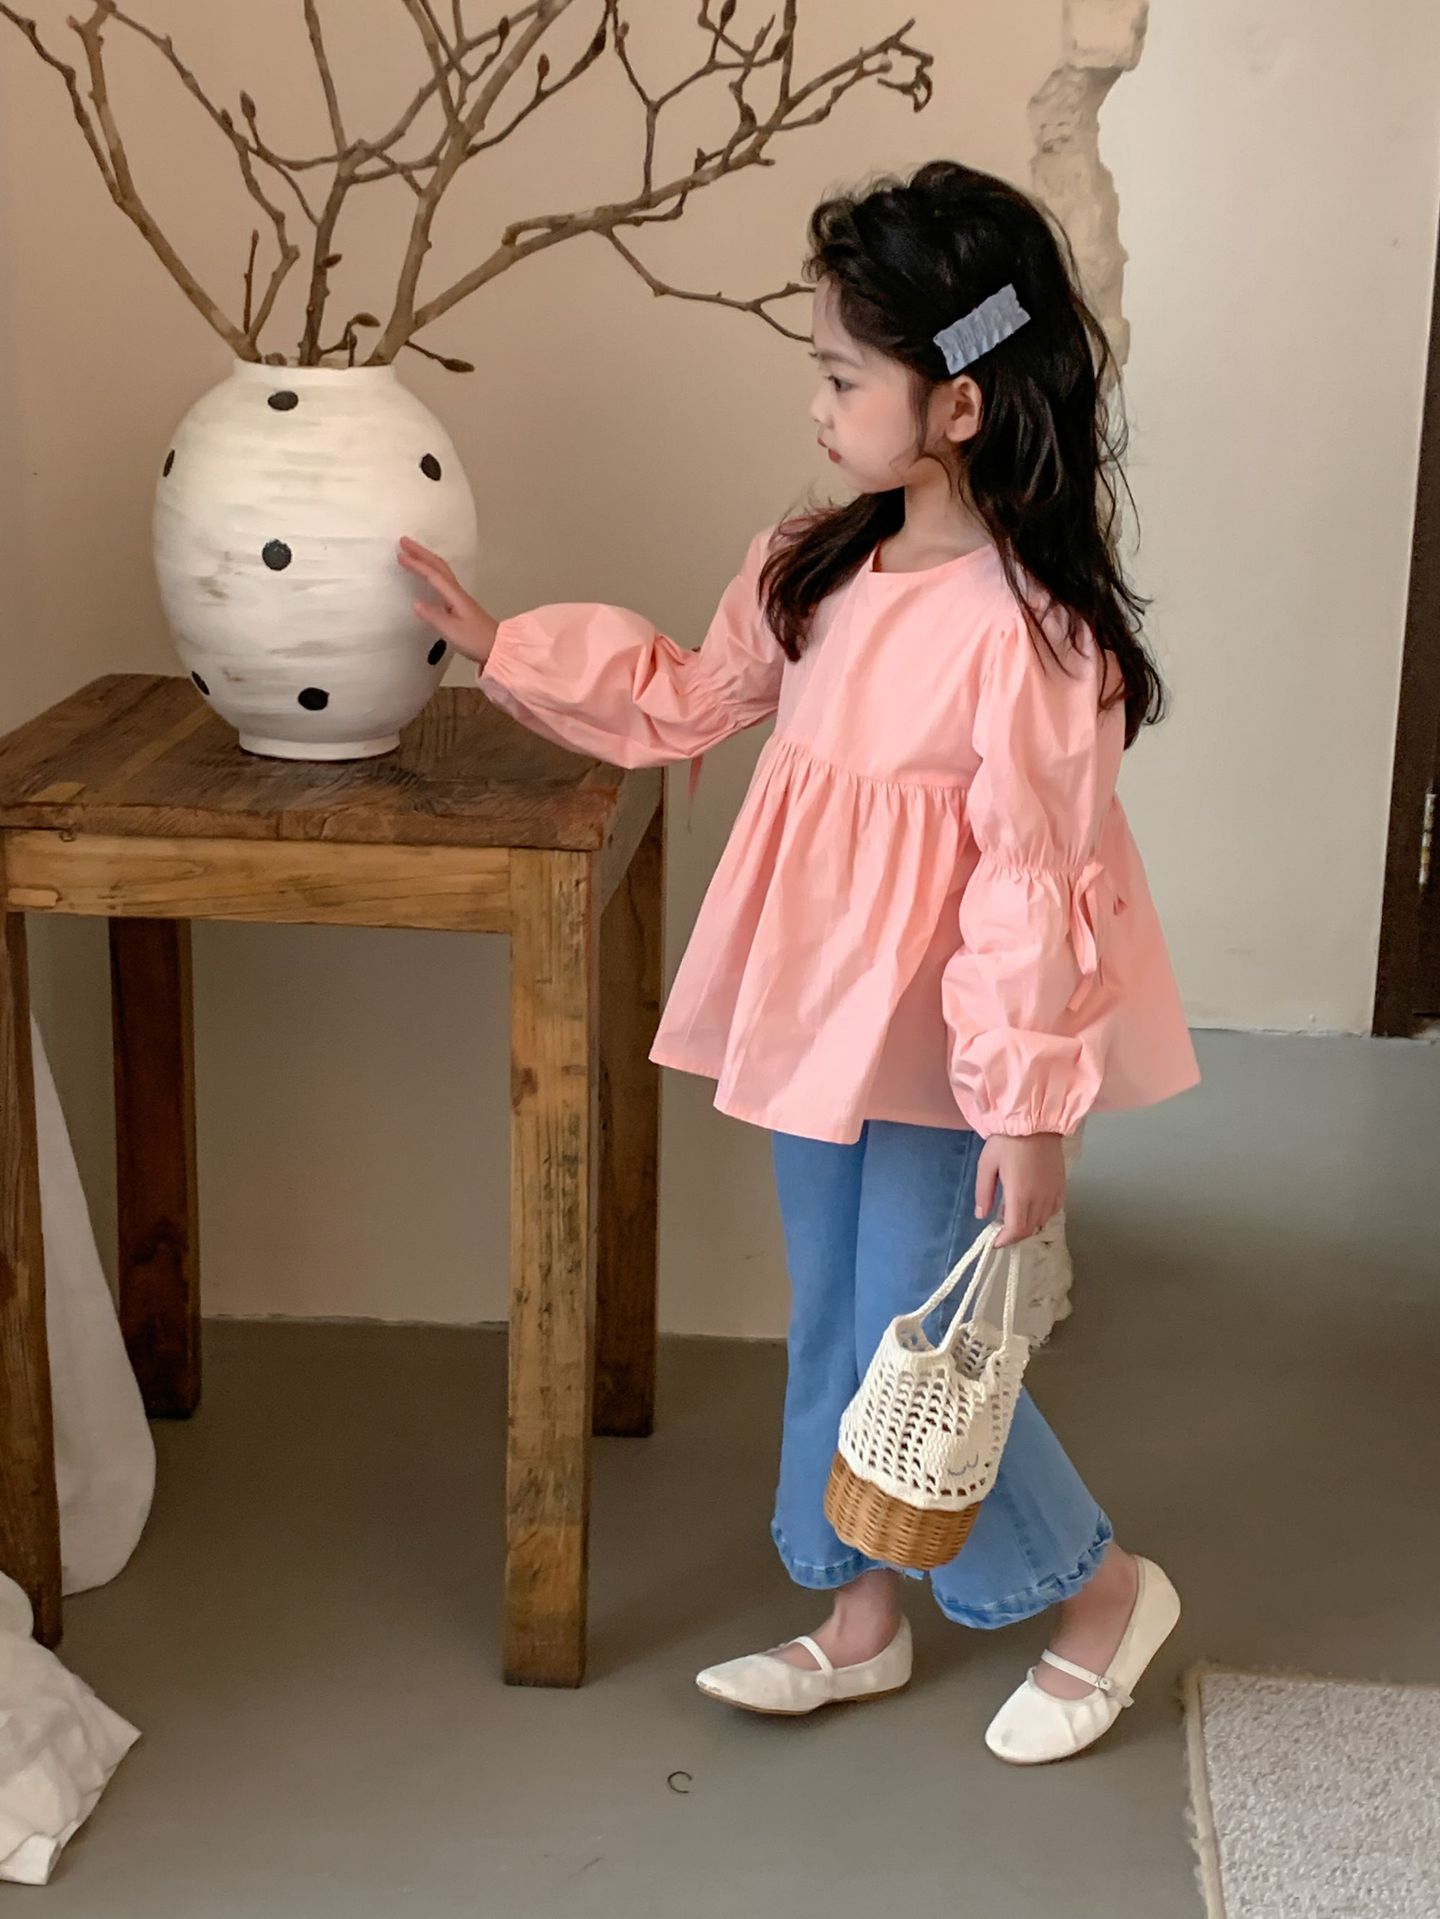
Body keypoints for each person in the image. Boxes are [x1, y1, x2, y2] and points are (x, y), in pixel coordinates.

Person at [398, 159, 1200, 1764]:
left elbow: (1030, 891)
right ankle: (857, 1616)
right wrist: (502, 647)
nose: (816, 406)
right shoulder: (814, 566)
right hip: (821, 1015)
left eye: (844, 378)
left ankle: (1100, 1590)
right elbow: (690, 699)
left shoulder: (1033, 637)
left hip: (950, 1046)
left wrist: (1027, 1108)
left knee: (922, 1330)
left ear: (958, 404)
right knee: (831, 1310)